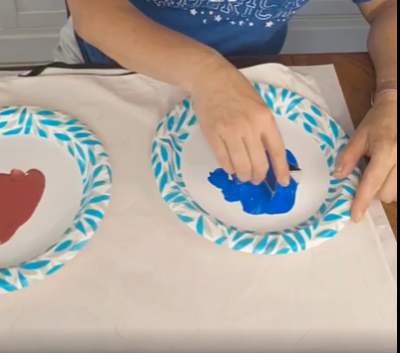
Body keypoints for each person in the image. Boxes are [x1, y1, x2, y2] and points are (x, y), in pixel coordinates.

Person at [58, 0, 397, 222]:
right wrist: (206, 73)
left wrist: (392, 93)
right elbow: (94, 9)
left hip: (247, 77)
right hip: (113, 69)